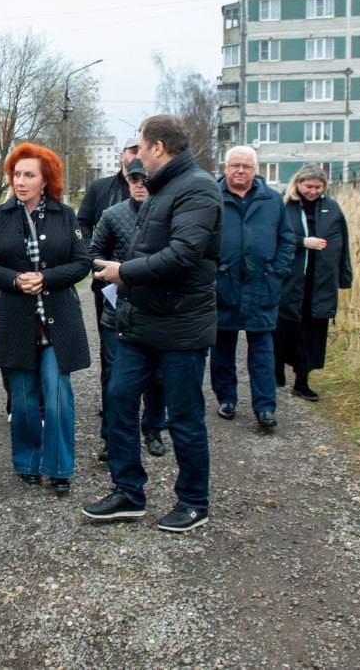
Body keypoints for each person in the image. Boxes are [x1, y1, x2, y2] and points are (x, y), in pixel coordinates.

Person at [84, 115, 221, 533]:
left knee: (183, 416)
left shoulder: (198, 188)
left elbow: (183, 255)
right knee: (120, 403)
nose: (137, 155)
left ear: (158, 147)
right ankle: (128, 491)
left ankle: (194, 501)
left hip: (180, 328)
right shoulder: (160, 190)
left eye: (141, 146)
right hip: (138, 324)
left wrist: (123, 272)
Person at [0, 143, 91, 495]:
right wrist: (13, 279)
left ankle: (59, 468)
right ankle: (27, 461)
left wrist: (47, 278)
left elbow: (82, 262)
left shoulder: (64, 215)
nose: (20, 181)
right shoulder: (0, 216)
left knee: (57, 394)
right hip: (16, 320)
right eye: (16, 174)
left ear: (45, 180)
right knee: (23, 397)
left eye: (29, 175)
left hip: (58, 320)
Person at [210, 146, 296, 430]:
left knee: (262, 351)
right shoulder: (212, 198)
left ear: (255, 170)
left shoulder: (272, 200)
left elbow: (286, 239)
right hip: (224, 284)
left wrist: (277, 271)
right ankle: (226, 398)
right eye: (235, 165)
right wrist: (212, 271)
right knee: (222, 348)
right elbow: (201, 238)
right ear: (225, 168)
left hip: (262, 285)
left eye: (246, 166)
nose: (240, 171)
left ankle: (265, 407)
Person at [89, 158, 167, 457]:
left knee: (157, 375)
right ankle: (112, 437)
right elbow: (93, 253)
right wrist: (112, 275)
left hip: (156, 309)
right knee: (114, 375)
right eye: (134, 179)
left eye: (145, 179)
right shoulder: (111, 215)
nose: (139, 184)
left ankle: (153, 428)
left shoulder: (168, 214)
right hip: (117, 310)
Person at [78, 139, 140, 459]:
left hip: (150, 290)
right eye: (131, 151)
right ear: (122, 156)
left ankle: (151, 422)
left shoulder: (161, 192)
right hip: (109, 288)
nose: (136, 157)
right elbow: (83, 223)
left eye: (141, 150)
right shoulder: (101, 189)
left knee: (148, 361)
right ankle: (111, 430)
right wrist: (98, 261)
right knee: (113, 357)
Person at [274, 165, 353, 402]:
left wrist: (344, 277)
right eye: (309, 186)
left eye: (318, 187)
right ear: (298, 183)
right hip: (289, 282)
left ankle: (302, 382)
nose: (313, 191)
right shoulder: (283, 206)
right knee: (284, 329)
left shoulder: (331, 208)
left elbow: (343, 244)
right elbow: (273, 237)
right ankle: (277, 367)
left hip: (320, 285)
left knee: (312, 335)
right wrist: (302, 242)